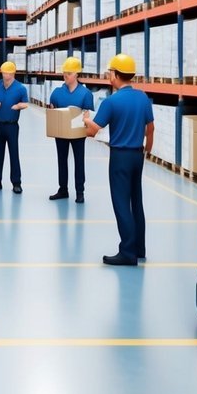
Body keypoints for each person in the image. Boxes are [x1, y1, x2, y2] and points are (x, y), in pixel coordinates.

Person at [84, 54, 155, 266]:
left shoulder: (111, 101)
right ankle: (139, 248)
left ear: (115, 75)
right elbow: (150, 129)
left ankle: (127, 252)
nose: (109, 76)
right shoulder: (142, 98)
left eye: (109, 73)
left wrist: (86, 119)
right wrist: (147, 151)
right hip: (137, 155)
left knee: (121, 203)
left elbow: (93, 131)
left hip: (120, 157)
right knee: (136, 201)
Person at [48, 56, 95, 203]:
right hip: (61, 133)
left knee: (79, 161)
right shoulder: (56, 92)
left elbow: (88, 115)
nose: (65, 76)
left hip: (78, 133)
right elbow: (52, 111)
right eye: (64, 73)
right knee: (61, 161)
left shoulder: (86, 94)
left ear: (76, 74)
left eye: (69, 73)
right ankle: (63, 189)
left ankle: (80, 192)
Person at [0, 61, 29, 194]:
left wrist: (18, 106)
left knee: (14, 154)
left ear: (13, 73)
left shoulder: (20, 88)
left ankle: (16, 183)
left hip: (12, 126)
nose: (5, 75)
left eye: (8, 72)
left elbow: (26, 103)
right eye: (3, 72)